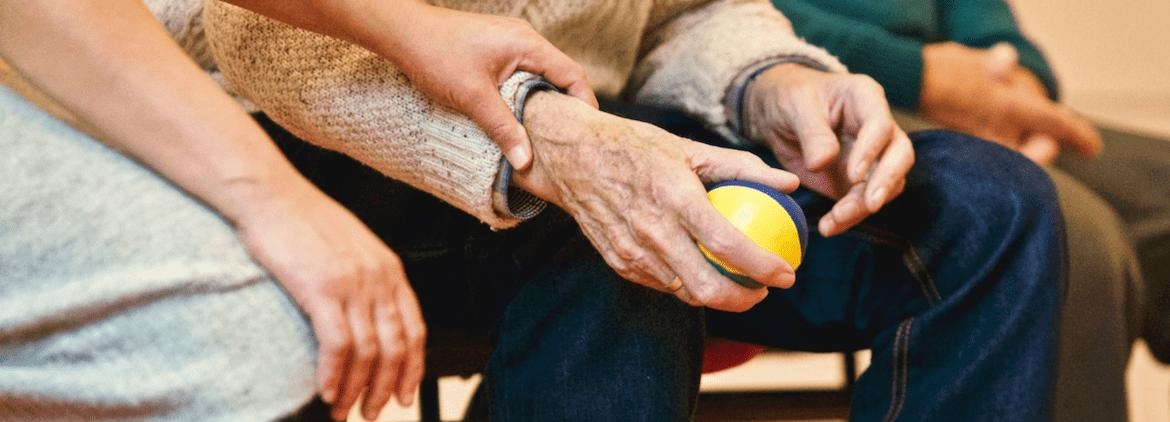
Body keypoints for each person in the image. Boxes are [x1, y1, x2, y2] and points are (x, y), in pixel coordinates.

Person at [205, 0, 1068, 420]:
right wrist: (552, 141)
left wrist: (774, 83)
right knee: (619, 235)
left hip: (605, 119)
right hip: (303, 134)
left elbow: (682, 13)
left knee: (989, 208)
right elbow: (260, 35)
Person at [0, 0, 596, 421]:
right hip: (224, 103)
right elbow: (246, 33)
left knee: (603, 244)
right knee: (253, 342)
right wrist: (271, 197)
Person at [767, 0, 1170, 419]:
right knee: (1061, 230)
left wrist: (1018, 79)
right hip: (807, 94)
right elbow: (726, 19)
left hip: (963, 87)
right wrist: (920, 76)